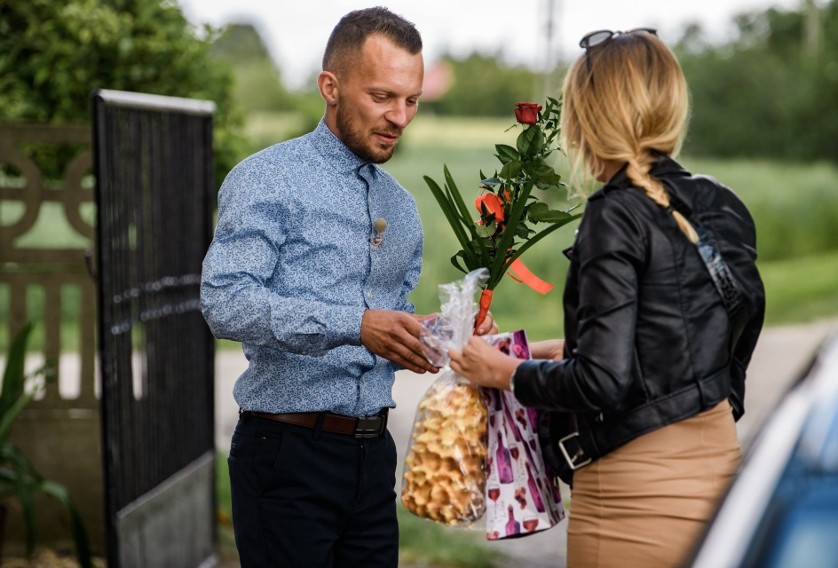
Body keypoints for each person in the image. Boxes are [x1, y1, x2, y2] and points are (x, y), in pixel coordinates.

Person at [448, 28, 765, 568]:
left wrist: (502, 372)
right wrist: (562, 348)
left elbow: (602, 382)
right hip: (720, 474)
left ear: (586, 118)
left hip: (633, 497)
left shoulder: (613, 214)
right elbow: (703, 342)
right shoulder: (721, 203)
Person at [200, 7, 494, 567]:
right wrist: (355, 326)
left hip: (373, 456)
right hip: (285, 455)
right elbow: (225, 303)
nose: (400, 116)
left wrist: (439, 334)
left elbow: (390, 319)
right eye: (383, 96)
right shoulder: (267, 177)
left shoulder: (401, 208)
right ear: (330, 87)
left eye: (411, 100)